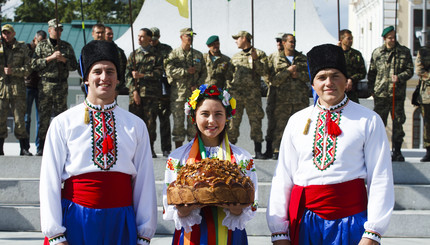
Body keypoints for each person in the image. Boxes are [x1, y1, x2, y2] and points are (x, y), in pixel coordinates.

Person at [266, 44, 394, 245]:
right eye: (321, 77)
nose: (329, 83)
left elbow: (380, 176)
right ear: (313, 84)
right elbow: (283, 176)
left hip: (352, 223)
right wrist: (279, 232)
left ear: (347, 81)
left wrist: (372, 233)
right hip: (306, 223)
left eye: (335, 76)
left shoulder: (368, 120)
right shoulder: (297, 120)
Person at [39, 40, 157, 244]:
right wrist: (56, 234)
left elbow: (144, 181)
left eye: (110, 71)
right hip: (77, 220)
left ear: (118, 78)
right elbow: (50, 179)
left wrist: (144, 232)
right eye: (97, 71)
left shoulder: (135, 125)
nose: (104, 77)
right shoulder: (63, 123)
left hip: (121, 221)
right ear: (86, 78)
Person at [163, 84, 258, 244]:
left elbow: (252, 201)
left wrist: (237, 210)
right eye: (205, 114)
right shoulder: (178, 158)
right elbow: (169, 201)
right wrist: (182, 212)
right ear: (193, 116)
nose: (211, 120)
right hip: (191, 235)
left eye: (218, 114)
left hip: (230, 235)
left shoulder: (242, 158)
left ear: (227, 117)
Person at [31, 19, 78, 156]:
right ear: (49, 30)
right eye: (55, 29)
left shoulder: (66, 46)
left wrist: (64, 60)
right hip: (45, 85)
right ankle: (41, 146)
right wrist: (50, 58)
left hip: (61, 85)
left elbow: (74, 65)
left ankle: (61, 146)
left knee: (61, 117)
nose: (58, 32)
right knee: (44, 117)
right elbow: (34, 64)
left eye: (60, 30)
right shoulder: (41, 46)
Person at [367, 26, 414, 162]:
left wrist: (399, 77)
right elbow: (372, 73)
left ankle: (397, 151)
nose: (392, 40)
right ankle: (377, 151)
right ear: (384, 39)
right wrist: (372, 90)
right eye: (390, 38)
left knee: (398, 122)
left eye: (394, 37)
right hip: (381, 94)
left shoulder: (404, 52)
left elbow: (410, 70)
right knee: (379, 123)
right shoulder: (377, 53)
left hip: (396, 94)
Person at [267, 34, 309, 160]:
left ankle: (300, 150)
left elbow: (310, 77)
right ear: (284, 43)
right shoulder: (275, 58)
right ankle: (277, 150)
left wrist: (299, 75)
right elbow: (272, 80)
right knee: (280, 125)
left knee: (301, 127)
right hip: (281, 100)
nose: (293, 44)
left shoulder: (302, 58)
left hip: (300, 100)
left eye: (294, 41)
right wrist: (288, 72)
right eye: (290, 42)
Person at [227, 31, 268, 159]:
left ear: (244, 38)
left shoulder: (259, 54)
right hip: (236, 95)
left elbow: (265, 72)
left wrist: (256, 60)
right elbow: (229, 75)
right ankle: (229, 150)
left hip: (252, 95)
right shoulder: (235, 57)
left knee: (255, 121)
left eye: (237, 38)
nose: (236, 41)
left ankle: (258, 150)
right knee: (233, 123)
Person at [164, 27, 207, 149]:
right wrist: (186, 71)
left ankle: (192, 150)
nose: (190, 38)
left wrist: (198, 85)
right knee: (178, 124)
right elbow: (169, 70)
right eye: (188, 35)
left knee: (193, 123)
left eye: (192, 36)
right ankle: (179, 150)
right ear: (181, 37)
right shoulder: (173, 54)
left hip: (193, 94)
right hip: (178, 94)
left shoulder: (198, 55)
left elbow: (204, 73)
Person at [126, 28, 163, 158]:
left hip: (151, 94)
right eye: (138, 36)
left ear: (149, 38)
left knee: (150, 123)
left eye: (142, 36)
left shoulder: (156, 55)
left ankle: (149, 148)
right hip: (136, 95)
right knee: (134, 123)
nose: (139, 39)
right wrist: (134, 91)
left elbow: (158, 73)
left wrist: (142, 75)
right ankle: (133, 149)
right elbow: (128, 76)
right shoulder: (133, 55)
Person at [0, 24, 32, 156]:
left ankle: (24, 148)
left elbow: (28, 68)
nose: (6, 36)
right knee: (0, 119)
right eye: (4, 33)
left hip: (17, 89)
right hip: (2, 89)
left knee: (19, 120)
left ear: (13, 34)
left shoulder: (22, 48)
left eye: (8, 33)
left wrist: (14, 71)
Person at [150, 27, 173, 157]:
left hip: (164, 89)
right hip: (151, 91)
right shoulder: (146, 50)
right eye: (151, 39)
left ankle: (166, 148)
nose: (153, 41)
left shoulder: (166, 49)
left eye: (155, 38)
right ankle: (151, 147)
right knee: (150, 122)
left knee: (165, 120)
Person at [264, 32, 286, 159]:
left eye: (281, 41)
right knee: (272, 123)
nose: (279, 43)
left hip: (288, 97)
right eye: (277, 41)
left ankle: (279, 148)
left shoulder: (294, 57)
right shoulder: (272, 57)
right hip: (274, 95)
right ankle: (269, 149)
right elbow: (267, 75)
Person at [24, 30, 46, 155]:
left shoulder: (44, 51)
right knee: (26, 118)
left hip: (40, 86)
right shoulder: (27, 49)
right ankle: (25, 147)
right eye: (39, 42)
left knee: (40, 119)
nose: (41, 44)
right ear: (34, 40)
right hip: (28, 86)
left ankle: (39, 147)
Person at [338, 29, 367, 103]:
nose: (351, 41)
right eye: (348, 38)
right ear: (341, 39)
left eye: (352, 38)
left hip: (352, 92)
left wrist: (351, 79)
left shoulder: (356, 54)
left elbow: (362, 73)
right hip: (338, 91)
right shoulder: (336, 53)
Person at [415, 45, 430, 162]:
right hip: (427, 95)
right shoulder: (423, 51)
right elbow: (419, 70)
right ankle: (429, 150)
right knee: (428, 124)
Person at [105, 26, 128, 95]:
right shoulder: (95, 49)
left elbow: (124, 70)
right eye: (108, 34)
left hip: (114, 87)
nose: (111, 36)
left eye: (112, 34)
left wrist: (117, 87)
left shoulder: (119, 52)